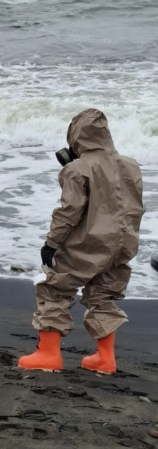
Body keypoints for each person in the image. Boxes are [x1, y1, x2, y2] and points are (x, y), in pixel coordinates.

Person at [18, 108, 144, 374]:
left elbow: (69, 212)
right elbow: (134, 207)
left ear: (76, 137)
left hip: (89, 241)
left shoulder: (77, 169)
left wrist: (51, 243)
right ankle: (105, 358)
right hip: (123, 242)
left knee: (56, 289)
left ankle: (49, 355)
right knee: (104, 295)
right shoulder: (131, 165)